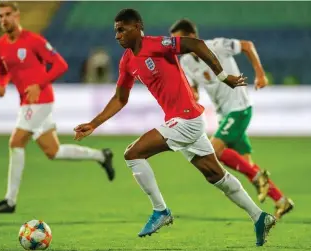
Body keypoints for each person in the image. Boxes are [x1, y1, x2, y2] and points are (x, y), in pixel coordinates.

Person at [74, 8, 276, 246]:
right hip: (184, 121)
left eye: (121, 29)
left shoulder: (157, 44)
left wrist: (223, 77)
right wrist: (93, 124)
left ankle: (161, 211)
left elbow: (196, 44)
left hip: (186, 119)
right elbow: (120, 98)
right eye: (115, 31)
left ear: (137, 27)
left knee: (132, 153)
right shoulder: (127, 61)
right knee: (215, 175)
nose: (117, 35)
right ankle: (259, 216)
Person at [0, 1, 115, 214]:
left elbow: (61, 65)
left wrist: (39, 84)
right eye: (0, 16)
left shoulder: (33, 41)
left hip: (41, 100)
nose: (4, 19)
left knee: (16, 142)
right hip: (26, 102)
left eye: (8, 14)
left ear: (17, 15)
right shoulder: (0, 45)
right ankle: (102, 156)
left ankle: (10, 201)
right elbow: (1, 69)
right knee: (53, 151)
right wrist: (1, 84)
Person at [169, 19, 294, 219]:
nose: (176, 45)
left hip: (239, 108)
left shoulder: (217, 46)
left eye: (178, 40)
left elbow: (247, 45)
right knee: (247, 166)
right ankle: (281, 201)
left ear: (191, 37)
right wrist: (189, 95)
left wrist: (260, 74)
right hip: (224, 115)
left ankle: (259, 179)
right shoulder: (185, 62)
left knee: (214, 150)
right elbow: (194, 90)